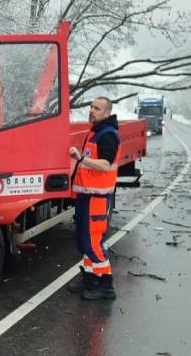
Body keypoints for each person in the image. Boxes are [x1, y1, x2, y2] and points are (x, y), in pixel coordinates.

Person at [66, 97, 120, 300]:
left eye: (97, 108)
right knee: (83, 241)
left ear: (107, 113)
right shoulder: (95, 131)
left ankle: (106, 284)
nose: (91, 110)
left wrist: (81, 158)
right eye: (91, 107)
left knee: (93, 243)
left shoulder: (108, 135)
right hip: (85, 196)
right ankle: (90, 277)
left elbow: (105, 165)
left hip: (97, 198)